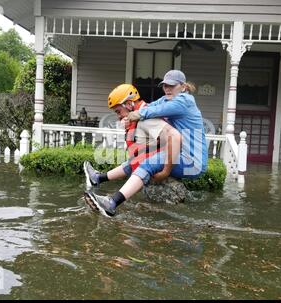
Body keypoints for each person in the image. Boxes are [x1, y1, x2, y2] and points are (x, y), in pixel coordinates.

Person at [85, 70, 208, 217]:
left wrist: (166, 172)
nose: (167, 89)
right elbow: (149, 107)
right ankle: (98, 178)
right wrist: (128, 117)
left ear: (182, 87)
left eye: (172, 86)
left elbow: (156, 112)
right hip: (181, 154)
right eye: (165, 86)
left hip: (192, 161)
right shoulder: (166, 99)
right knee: (139, 158)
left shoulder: (184, 101)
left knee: (148, 163)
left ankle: (112, 203)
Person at [84, 83, 182, 197]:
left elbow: (173, 137)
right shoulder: (139, 117)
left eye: (118, 111)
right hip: (150, 168)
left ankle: (111, 200)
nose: (118, 116)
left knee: (135, 161)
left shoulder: (147, 120)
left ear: (129, 104)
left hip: (157, 174)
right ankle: (97, 178)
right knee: (133, 160)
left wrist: (165, 171)